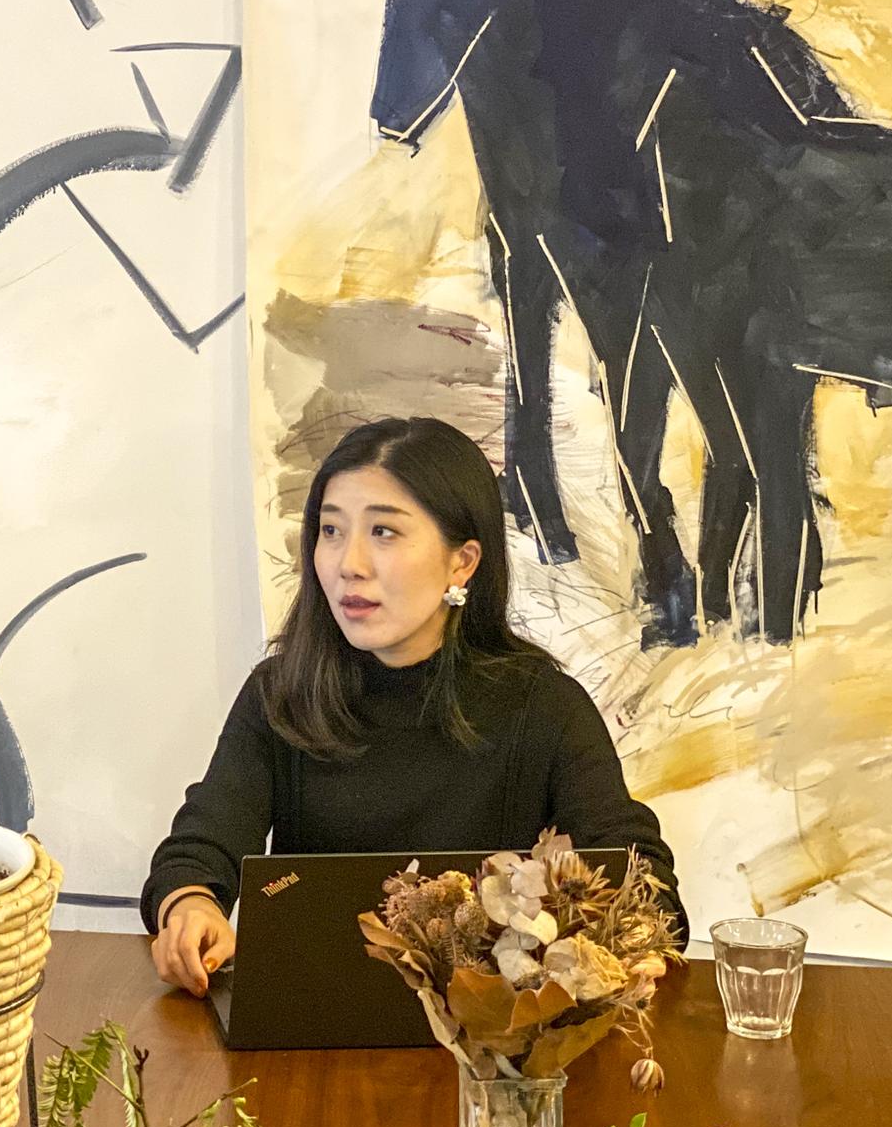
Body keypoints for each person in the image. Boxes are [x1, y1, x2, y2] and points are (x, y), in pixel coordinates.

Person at [143, 416, 686, 997]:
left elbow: (636, 868)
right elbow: (203, 843)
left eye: (384, 532)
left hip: (499, 1036)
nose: (348, 563)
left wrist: (635, 934)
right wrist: (191, 906)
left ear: (462, 562)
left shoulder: (544, 705)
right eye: (331, 530)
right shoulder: (282, 694)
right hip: (310, 1022)